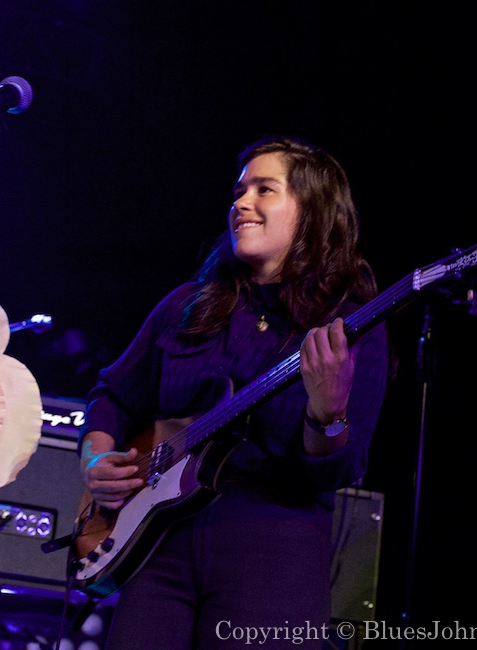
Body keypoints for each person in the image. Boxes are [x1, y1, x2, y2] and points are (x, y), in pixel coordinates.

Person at [78, 134, 390, 649]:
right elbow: (112, 393)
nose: (241, 203)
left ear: (311, 209)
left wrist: (327, 412)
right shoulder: (186, 305)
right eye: (238, 191)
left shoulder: (351, 326)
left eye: (264, 189)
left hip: (273, 550)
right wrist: (96, 459)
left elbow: (337, 470)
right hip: (160, 548)